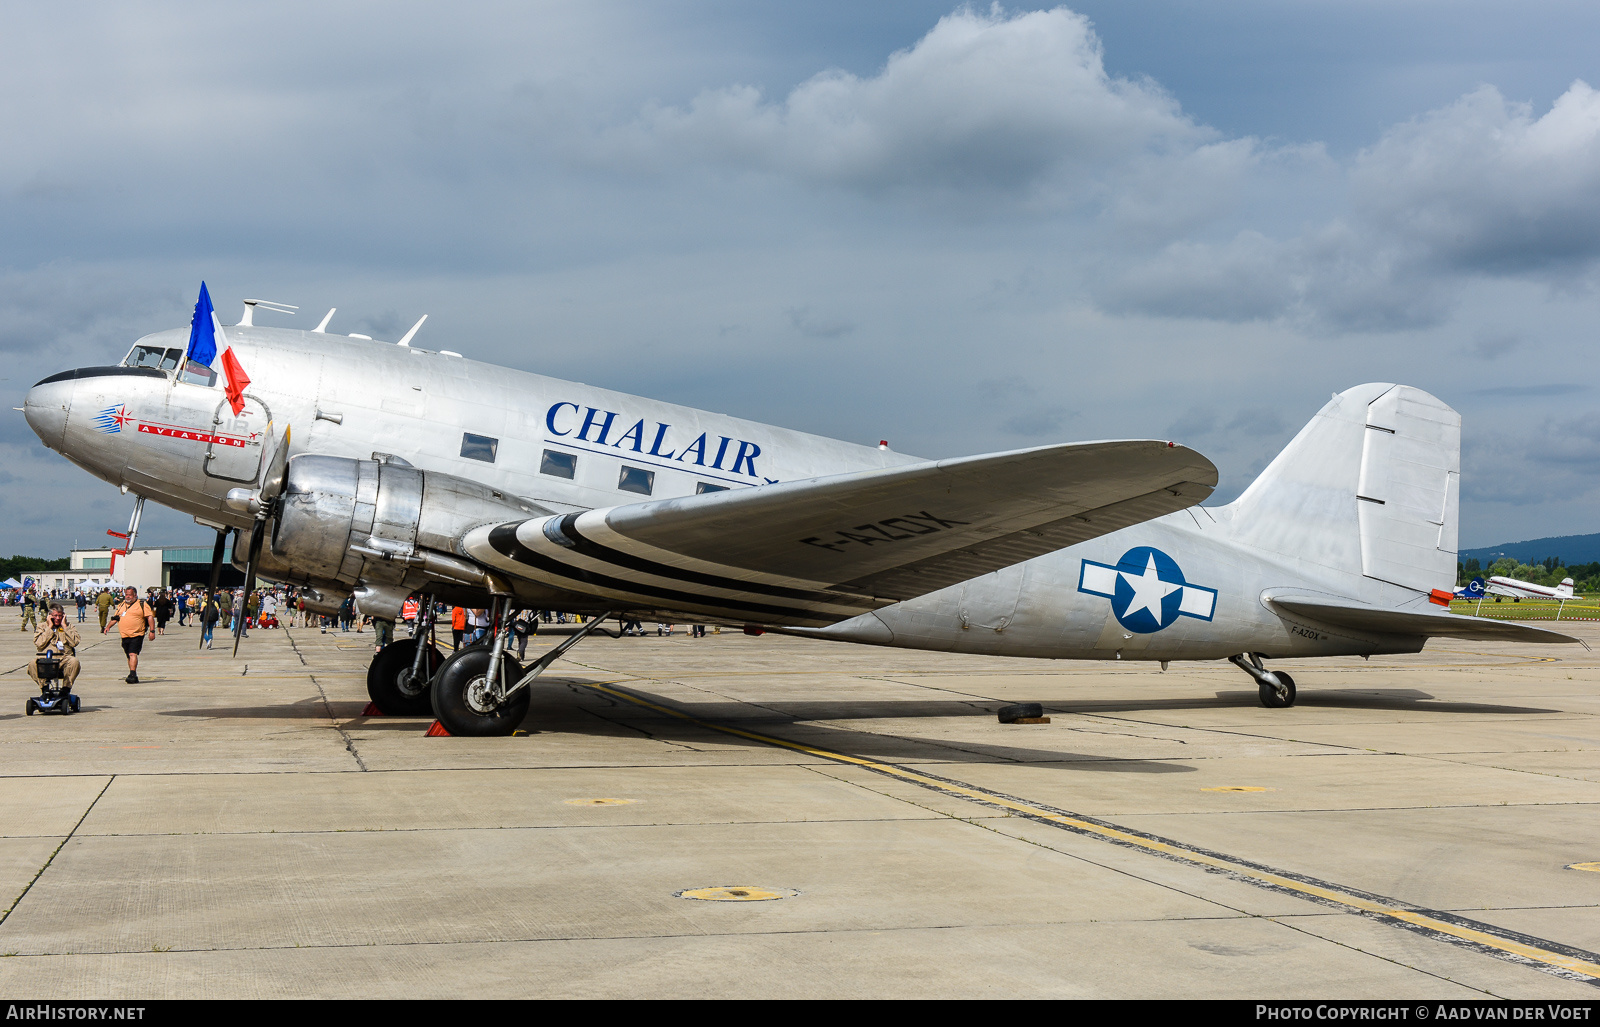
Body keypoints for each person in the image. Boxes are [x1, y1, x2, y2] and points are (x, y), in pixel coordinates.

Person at [28, 603, 81, 693]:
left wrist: (65, 627)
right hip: (46, 659)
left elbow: (74, 642)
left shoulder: (69, 626)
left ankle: (66, 689)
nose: (57, 618)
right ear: (50, 616)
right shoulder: (42, 626)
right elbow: (39, 643)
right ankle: (44, 688)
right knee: (32, 664)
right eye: (55, 616)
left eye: (60, 616)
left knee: (74, 662)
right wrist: (49, 627)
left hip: (63, 658)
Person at [108, 586, 156, 683]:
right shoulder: (121, 605)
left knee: (132, 653)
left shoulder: (142, 604)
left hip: (137, 633)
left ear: (135, 595)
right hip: (125, 635)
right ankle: (132, 672)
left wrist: (152, 631)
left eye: (130, 595)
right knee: (128, 655)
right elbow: (116, 618)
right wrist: (108, 627)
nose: (128, 597)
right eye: (126, 595)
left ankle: (132, 674)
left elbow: (150, 617)